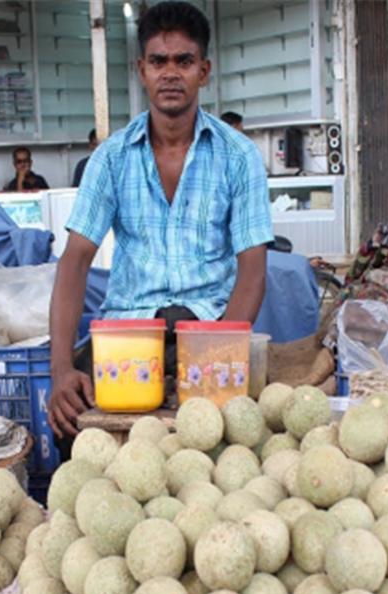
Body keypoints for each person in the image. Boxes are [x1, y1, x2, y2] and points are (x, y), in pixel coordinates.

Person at [47, 0, 273, 437]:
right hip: (127, 337)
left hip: (207, 328)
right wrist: (59, 368)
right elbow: (74, 261)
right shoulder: (110, 158)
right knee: (69, 418)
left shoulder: (238, 156)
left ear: (203, 71)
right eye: (159, 61)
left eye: (184, 61)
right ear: (142, 70)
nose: (171, 73)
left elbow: (253, 272)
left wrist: (215, 355)